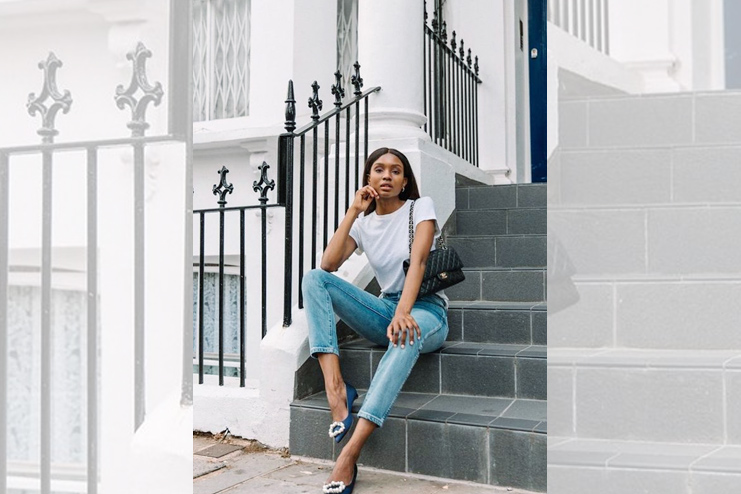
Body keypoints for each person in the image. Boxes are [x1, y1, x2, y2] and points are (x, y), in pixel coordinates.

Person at [302, 147, 449, 494]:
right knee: (314, 279)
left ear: (404, 181)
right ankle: (336, 391)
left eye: (395, 171)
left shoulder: (419, 207)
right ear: (368, 179)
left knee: (405, 334)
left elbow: (420, 262)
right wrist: (354, 211)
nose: (387, 176)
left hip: (427, 310)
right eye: (379, 170)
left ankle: (350, 452)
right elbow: (328, 263)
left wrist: (404, 313)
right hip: (387, 309)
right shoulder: (366, 224)